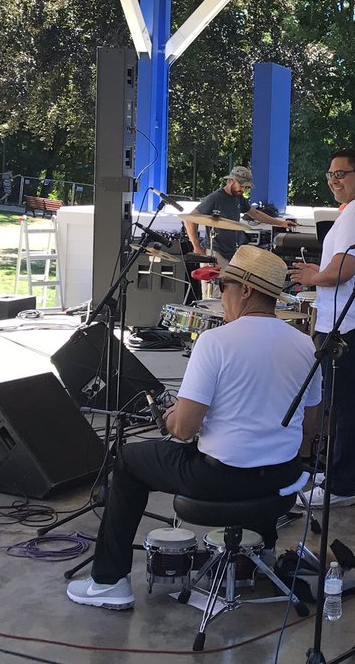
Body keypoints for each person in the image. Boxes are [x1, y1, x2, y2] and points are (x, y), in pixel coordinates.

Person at [66, 245, 321, 610]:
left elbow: (184, 430)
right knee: (259, 455)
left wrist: (170, 418)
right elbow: (311, 425)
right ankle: (261, 554)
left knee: (128, 460)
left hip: (220, 479)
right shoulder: (305, 345)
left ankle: (109, 583)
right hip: (284, 479)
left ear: (246, 290)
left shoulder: (215, 343)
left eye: (224, 288)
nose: (220, 296)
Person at [288, 149, 355, 509]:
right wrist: (322, 270)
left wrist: (312, 276)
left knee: (344, 406)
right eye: (331, 174)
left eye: (342, 174)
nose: (334, 180)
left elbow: (344, 270)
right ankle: (350, 474)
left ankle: (341, 486)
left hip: (345, 324)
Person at [184, 165, 296, 265]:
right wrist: (196, 246)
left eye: (245, 187)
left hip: (231, 252)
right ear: (231, 181)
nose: (243, 189)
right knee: (216, 287)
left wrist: (281, 223)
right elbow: (190, 219)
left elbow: (255, 213)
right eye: (241, 185)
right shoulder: (215, 198)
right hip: (214, 251)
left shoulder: (238, 198)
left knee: (231, 287)